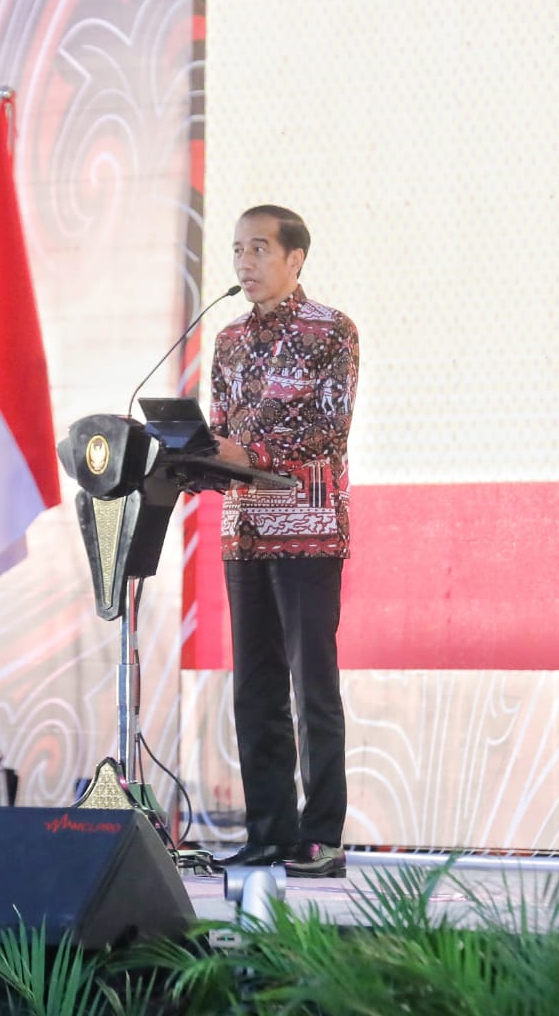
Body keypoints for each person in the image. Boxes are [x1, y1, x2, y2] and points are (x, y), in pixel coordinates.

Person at [208, 205, 359, 879]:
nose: (245, 262)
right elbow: (219, 427)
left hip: (307, 528)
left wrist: (244, 450)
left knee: (312, 688)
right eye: (239, 249)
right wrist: (199, 460)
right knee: (256, 689)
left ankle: (320, 835)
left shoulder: (333, 332)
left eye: (259, 248)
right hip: (243, 529)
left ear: (296, 258)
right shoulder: (227, 340)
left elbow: (328, 432)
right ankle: (268, 830)